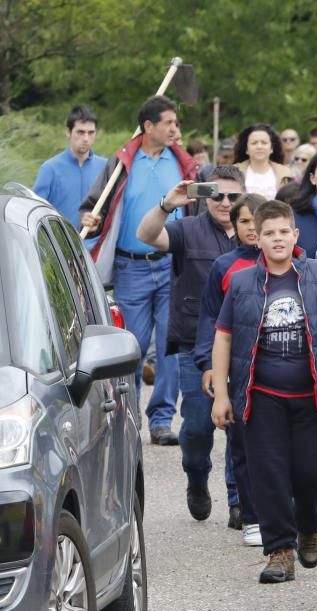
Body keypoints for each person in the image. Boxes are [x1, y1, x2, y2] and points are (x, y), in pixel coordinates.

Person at [211, 199, 317, 584]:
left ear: (296, 235)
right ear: (257, 239)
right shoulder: (242, 283)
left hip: (311, 394)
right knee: (268, 474)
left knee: (314, 470)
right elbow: (223, 337)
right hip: (261, 396)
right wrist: (223, 395)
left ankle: (310, 526)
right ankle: (279, 551)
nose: (277, 240)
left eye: (283, 233)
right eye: (268, 234)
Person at [80, 95, 196, 446]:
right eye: (169, 123)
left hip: (173, 264)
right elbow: (93, 206)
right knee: (131, 345)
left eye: (176, 123)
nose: (176, 129)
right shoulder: (122, 163)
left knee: (168, 348)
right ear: (149, 127)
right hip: (131, 267)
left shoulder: (184, 164)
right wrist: (91, 219)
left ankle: (161, 419)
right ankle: (126, 417)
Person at [135, 164, 244, 520]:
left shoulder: (254, 231)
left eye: (233, 196)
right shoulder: (188, 230)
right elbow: (146, 235)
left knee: (242, 425)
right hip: (196, 345)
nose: (225, 203)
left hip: (246, 345)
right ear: (205, 195)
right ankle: (196, 476)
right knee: (197, 427)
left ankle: (238, 499)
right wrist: (168, 204)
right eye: (217, 195)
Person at [195, 193, 266, 546]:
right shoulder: (225, 265)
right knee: (241, 442)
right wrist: (208, 364)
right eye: (244, 222)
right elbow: (210, 317)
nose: (252, 228)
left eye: (258, 220)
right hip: (237, 367)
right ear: (234, 227)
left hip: (282, 365)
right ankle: (248, 512)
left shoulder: (294, 261)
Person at [34, 105, 107, 230]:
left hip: (95, 246)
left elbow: (111, 210)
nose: (86, 138)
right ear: (68, 132)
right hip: (60, 246)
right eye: (80, 132)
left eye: (91, 133)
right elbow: (35, 213)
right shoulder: (50, 169)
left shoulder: (105, 167)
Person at [234, 123, 293, 199]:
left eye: (264, 143)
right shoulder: (234, 171)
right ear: (246, 149)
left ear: (271, 148)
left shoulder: (285, 173)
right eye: (254, 143)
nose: (259, 146)